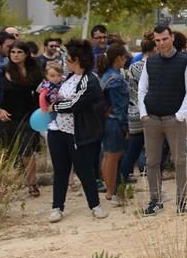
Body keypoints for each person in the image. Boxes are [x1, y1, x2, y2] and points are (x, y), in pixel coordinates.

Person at [138, 25, 187, 216]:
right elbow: (142, 89)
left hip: (174, 119)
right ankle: (155, 201)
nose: (161, 43)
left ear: (171, 38)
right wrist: (143, 113)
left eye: (164, 39)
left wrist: (180, 115)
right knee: (152, 161)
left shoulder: (186, 62)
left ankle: (181, 202)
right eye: (157, 40)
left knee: (180, 161)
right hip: (152, 119)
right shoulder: (150, 62)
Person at [47, 39, 109, 223]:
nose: (66, 61)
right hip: (57, 130)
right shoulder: (68, 78)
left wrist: (55, 107)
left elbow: (76, 103)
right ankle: (57, 207)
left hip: (78, 133)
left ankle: (95, 205)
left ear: (78, 59)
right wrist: (54, 104)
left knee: (84, 171)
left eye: (69, 58)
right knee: (60, 171)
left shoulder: (90, 80)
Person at [0, 41, 43, 197]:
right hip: (6, 116)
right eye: (13, 52)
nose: (15, 55)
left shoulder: (35, 72)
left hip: (28, 117)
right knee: (5, 152)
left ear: (26, 54)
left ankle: (32, 184)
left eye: (19, 52)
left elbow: (42, 94)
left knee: (27, 151)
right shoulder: (2, 72)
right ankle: (1, 186)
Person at [97, 43, 131, 203]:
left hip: (105, 120)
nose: (126, 60)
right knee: (113, 156)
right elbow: (119, 107)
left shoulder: (107, 75)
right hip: (114, 121)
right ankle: (111, 190)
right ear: (118, 58)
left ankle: (109, 189)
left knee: (107, 156)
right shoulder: (116, 79)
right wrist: (125, 126)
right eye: (124, 57)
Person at [120, 34, 155, 183]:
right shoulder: (152, 66)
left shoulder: (134, 66)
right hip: (148, 112)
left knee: (132, 151)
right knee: (153, 152)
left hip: (133, 111)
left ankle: (118, 184)